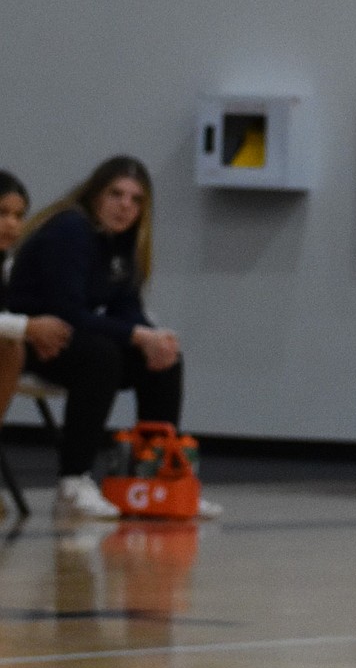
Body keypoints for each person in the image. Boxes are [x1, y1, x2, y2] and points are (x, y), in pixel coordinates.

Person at [10, 155, 218, 523]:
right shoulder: (70, 229)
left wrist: (153, 339)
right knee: (102, 356)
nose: (125, 206)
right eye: (116, 194)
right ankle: (73, 481)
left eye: (136, 200)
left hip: (69, 337)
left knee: (163, 360)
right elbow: (69, 312)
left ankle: (156, 476)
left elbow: (126, 309)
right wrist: (138, 335)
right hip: (26, 338)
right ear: (95, 195)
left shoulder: (123, 243)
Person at [0, 170, 73, 451]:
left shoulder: (8, 263)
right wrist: (28, 328)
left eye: (19, 216)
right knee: (10, 346)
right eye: (2, 213)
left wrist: (33, 334)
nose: (11, 224)